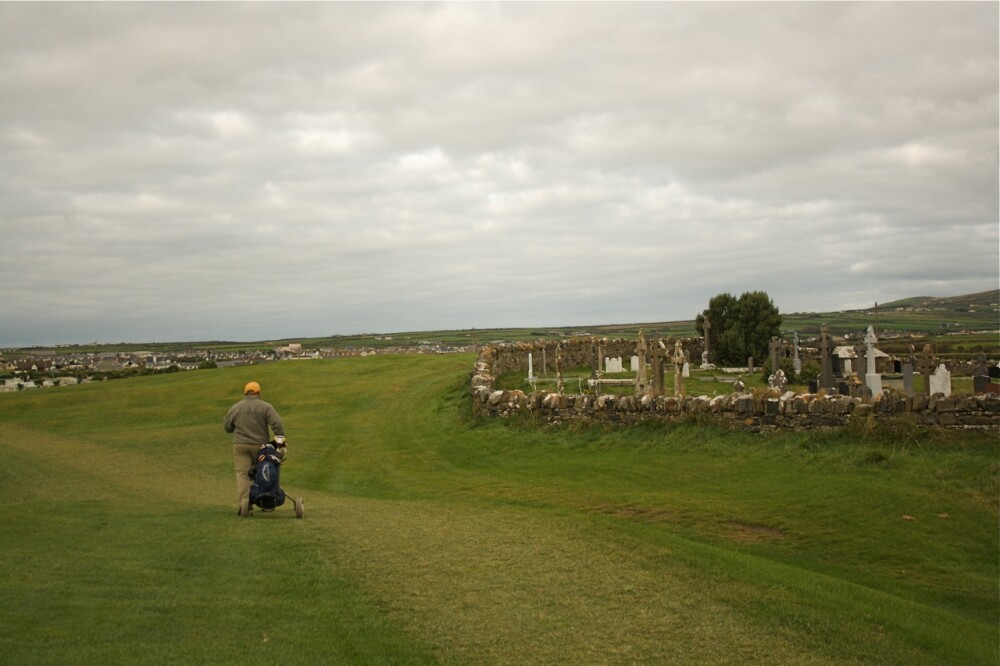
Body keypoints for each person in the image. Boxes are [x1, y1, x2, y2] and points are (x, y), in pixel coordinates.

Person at [224, 381, 285, 515]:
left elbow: (227, 427)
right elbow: (277, 424)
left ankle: (244, 505)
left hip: (241, 446)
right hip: (260, 447)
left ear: (245, 393)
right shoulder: (266, 407)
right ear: (258, 393)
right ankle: (266, 502)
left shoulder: (236, 407)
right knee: (263, 472)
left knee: (243, 474)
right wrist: (280, 442)